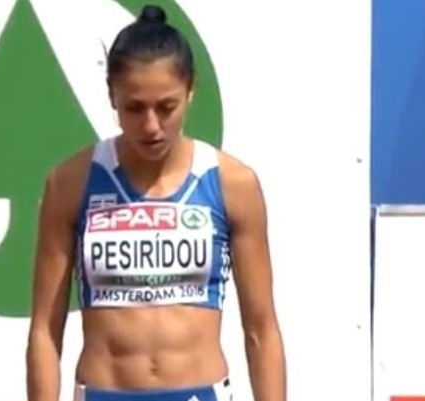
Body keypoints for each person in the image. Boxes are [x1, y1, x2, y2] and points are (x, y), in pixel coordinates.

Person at [25, 4, 286, 401]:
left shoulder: (233, 183)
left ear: (190, 91)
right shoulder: (70, 183)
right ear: (112, 97)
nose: (151, 126)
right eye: (134, 108)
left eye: (166, 107)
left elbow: (261, 329)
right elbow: (45, 330)